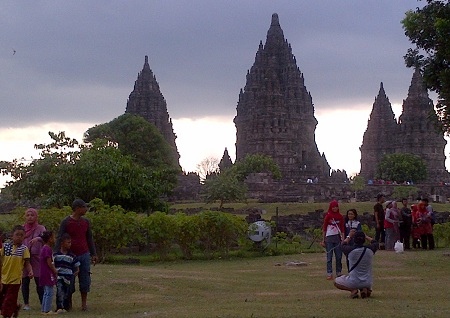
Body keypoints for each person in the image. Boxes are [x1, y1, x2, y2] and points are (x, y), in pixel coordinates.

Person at [56, 199, 97, 311]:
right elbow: (60, 237)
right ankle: (68, 302)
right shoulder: (66, 222)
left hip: (84, 254)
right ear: (77, 208)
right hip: (70, 255)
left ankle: (84, 304)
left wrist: (93, 253)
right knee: (69, 279)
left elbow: (89, 238)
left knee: (85, 279)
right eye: (84, 207)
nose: (86, 209)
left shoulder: (86, 222)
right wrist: (57, 254)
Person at [0, 225, 34, 318]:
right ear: (12, 235)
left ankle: (6, 315)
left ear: (24, 236)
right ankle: (15, 307)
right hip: (4, 277)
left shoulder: (24, 249)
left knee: (9, 299)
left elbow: (27, 262)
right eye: (17, 234)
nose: (19, 237)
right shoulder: (5, 247)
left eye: (21, 235)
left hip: (15, 279)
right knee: (2, 299)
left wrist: (30, 271)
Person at [334, 231, 379, 299]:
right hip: (368, 282)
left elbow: (342, 244)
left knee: (336, 281)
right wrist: (366, 236)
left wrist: (349, 236)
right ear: (364, 240)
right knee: (365, 284)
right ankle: (365, 289)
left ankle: (353, 290)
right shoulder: (370, 250)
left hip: (354, 281)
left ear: (354, 239)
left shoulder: (350, 250)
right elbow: (375, 243)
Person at [21, 208, 46, 311]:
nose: (30, 217)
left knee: (39, 281)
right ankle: (26, 304)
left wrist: (38, 239)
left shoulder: (41, 228)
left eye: (32, 215)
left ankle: (43, 303)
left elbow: (47, 238)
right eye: (28, 215)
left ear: (36, 217)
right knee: (25, 281)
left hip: (37, 258)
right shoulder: (22, 228)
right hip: (24, 258)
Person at [54, 233, 80, 313]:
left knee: (67, 292)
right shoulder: (56, 255)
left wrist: (77, 270)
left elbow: (76, 264)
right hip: (59, 277)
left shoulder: (71, 255)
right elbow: (52, 264)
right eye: (68, 242)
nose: (70, 244)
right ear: (62, 243)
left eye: (70, 242)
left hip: (68, 277)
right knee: (59, 291)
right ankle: (59, 307)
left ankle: (66, 307)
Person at [321, 200, 345, 280]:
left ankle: (338, 272)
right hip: (329, 238)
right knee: (329, 257)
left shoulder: (340, 216)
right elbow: (324, 228)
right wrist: (323, 239)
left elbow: (342, 228)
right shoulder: (328, 216)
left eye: (336, 206)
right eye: (333, 207)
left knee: (338, 256)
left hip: (337, 238)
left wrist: (343, 238)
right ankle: (329, 273)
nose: (335, 208)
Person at [39, 231, 57, 315]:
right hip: (47, 273)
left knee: (46, 292)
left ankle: (44, 309)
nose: (55, 239)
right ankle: (47, 310)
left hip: (43, 272)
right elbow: (49, 262)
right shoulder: (47, 249)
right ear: (49, 239)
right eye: (53, 237)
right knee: (49, 291)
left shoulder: (44, 248)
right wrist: (54, 271)